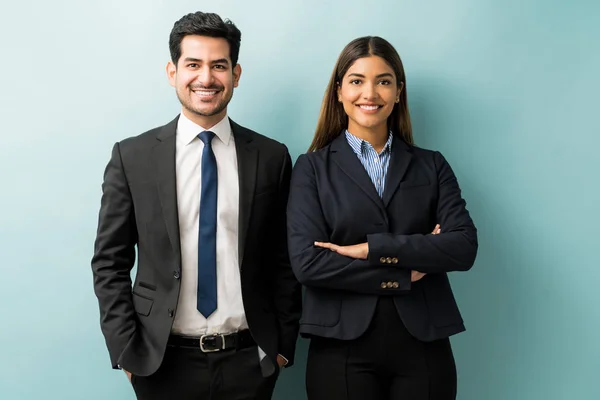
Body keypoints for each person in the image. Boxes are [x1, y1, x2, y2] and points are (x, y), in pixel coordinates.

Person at [91, 11, 301, 400]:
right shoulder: (132, 157)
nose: (206, 78)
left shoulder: (272, 157)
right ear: (172, 72)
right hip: (161, 364)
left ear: (236, 74)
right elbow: (109, 261)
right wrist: (126, 351)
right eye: (193, 64)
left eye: (218, 65)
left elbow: (284, 258)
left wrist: (282, 346)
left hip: (249, 361)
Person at [286, 36, 478, 400]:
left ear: (398, 92)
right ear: (339, 91)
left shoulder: (431, 165)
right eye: (357, 80)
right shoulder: (311, 168)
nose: (369, 93)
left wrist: (369, 249)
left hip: (424, 343)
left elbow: (463, 247)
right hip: (340, 346)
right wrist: (408, 267)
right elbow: (309, 263)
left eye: (383, 80)